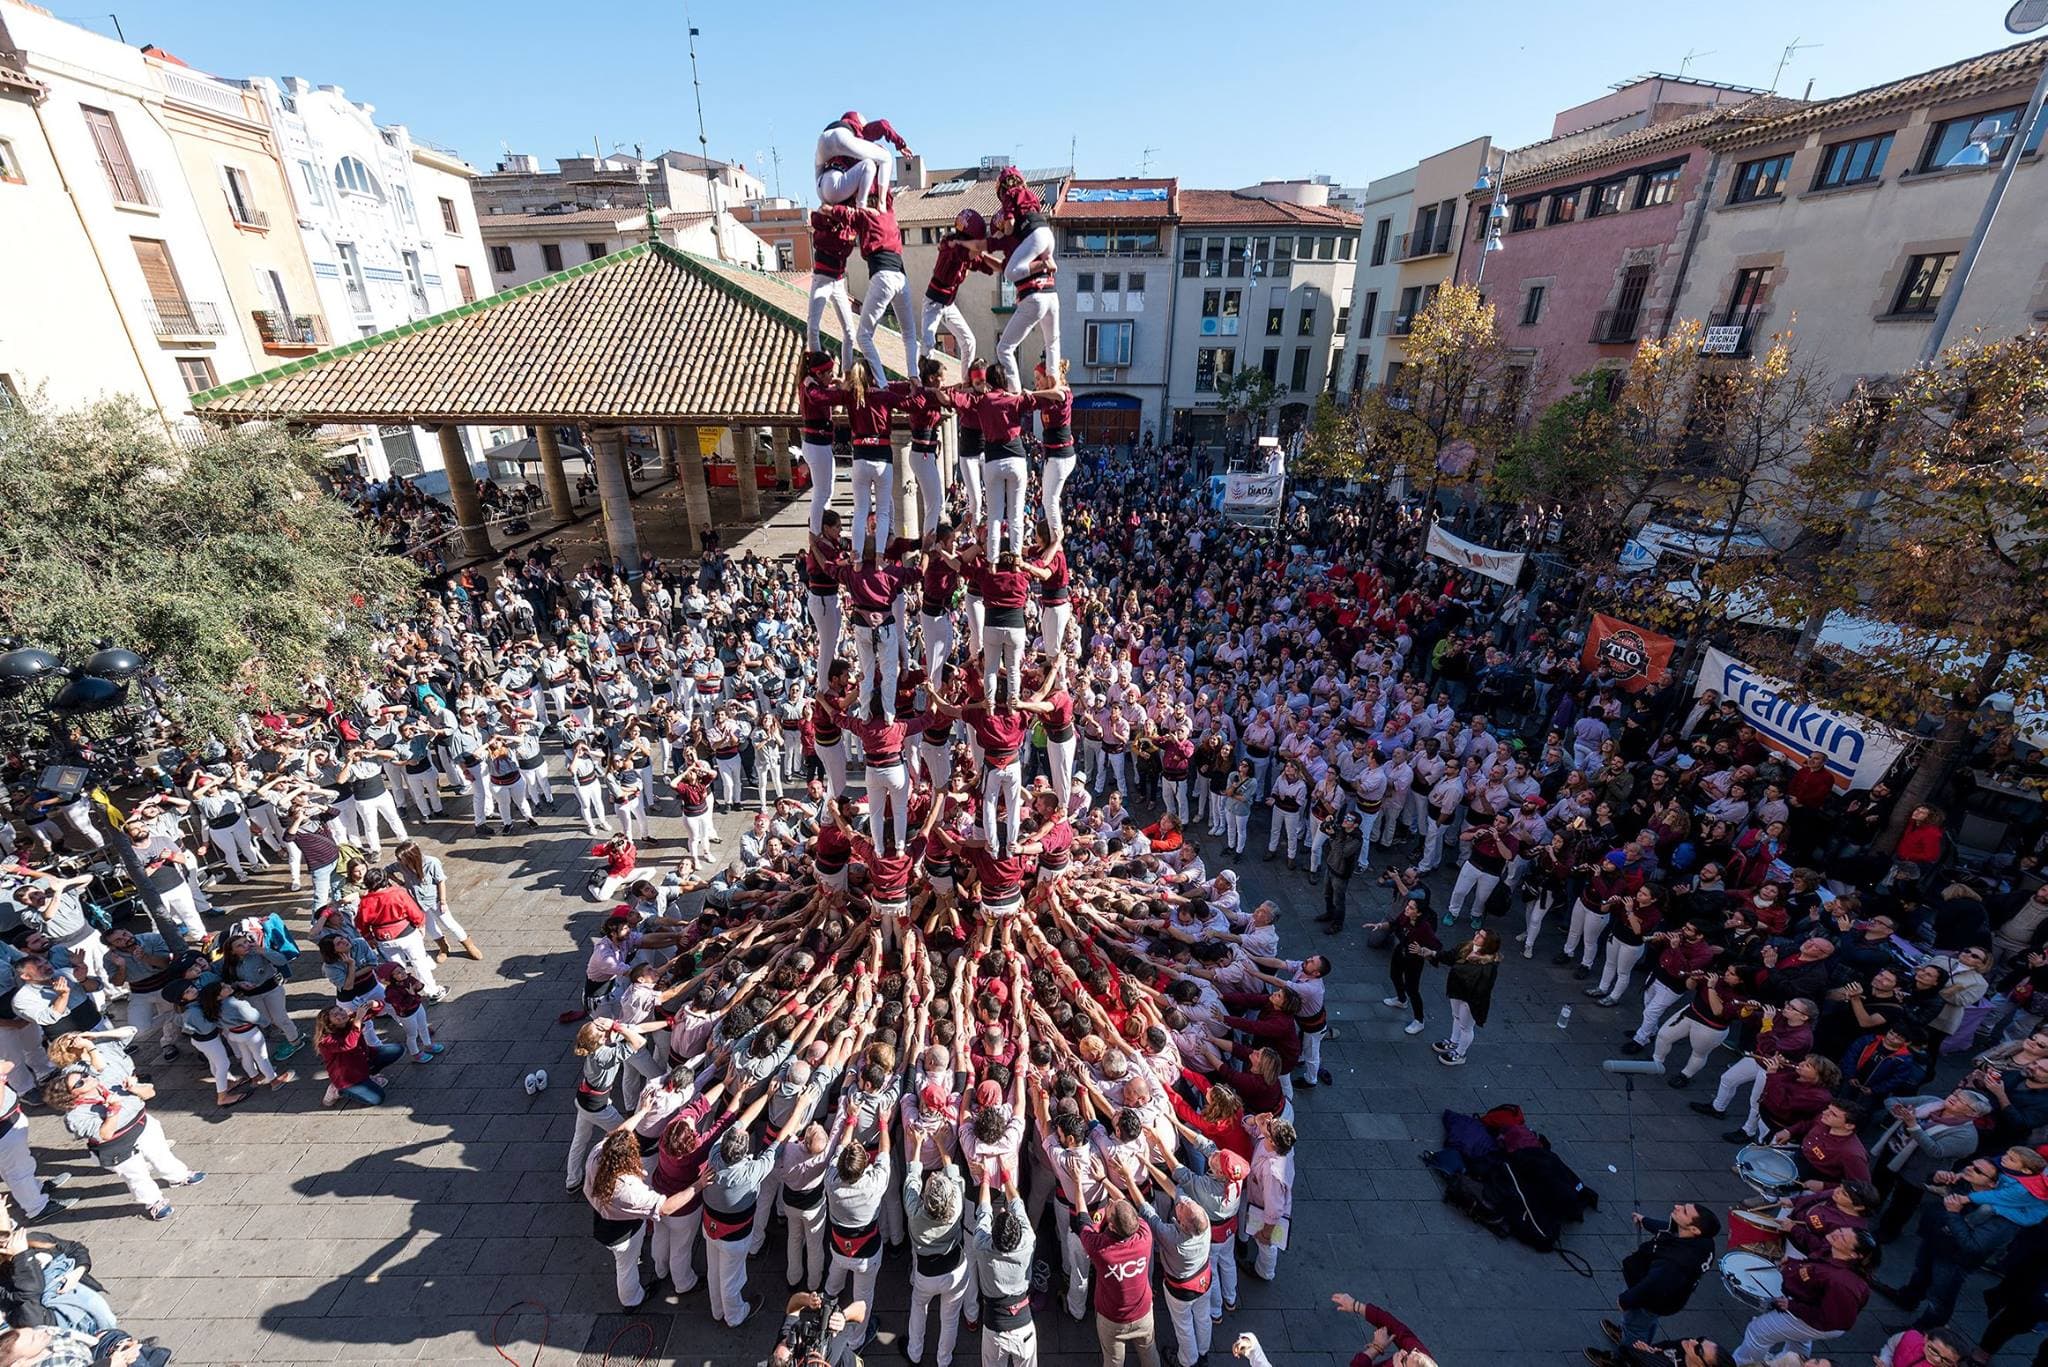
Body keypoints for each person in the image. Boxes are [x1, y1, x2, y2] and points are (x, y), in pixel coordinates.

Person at [42, 1071, 202, 1221]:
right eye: (79, 1083)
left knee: (161, 1154)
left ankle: (179, 1176)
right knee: (136, 1175)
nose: (87, 1078)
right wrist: (113, 1110)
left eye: (84, 1075)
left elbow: (150, 1093)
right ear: (70, 1096)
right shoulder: (75, 1116)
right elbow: (105, 1134)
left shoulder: (109, 1080)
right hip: (117, 1146)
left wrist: (135, 1087)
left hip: (142, 1125)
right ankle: (154, 1202)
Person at [1584, 1203, 1720, 1366]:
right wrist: (1646, 1221)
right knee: (1647, 1323)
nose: (1678, 1206)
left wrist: (1625, 1300)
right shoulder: (1704, 1242)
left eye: (1684, 1211)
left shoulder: (1674, 1264)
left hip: (1648, 1299)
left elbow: (1650, 1285)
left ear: (1694, 1230)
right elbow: (1670, 1229)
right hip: (1665, 1302)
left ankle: (1623, 1359)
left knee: (1635, 1326)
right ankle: (1634, 1337)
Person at [1728, 1226, 1874, 1364]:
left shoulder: (1843, 1283)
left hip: (1819, 1320)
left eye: (1843, 1238)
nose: (1837, 1233)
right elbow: (1816, 1268)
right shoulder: (1833, 1253)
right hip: (1810, 1309)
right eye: (1841, 1230)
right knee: (1799, 1340)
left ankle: (1742, 1364)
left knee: (1758, 1331)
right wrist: (1794, 1263)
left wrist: (1792, 1306)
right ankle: (1792, 1364)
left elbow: (1832, 1319)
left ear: (1854, 1254)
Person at [1072, 1193, 1158, 1367]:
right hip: (1143, 1312)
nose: (1110, 1201)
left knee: (1113, 1360)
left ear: (1111, 1225)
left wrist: (1077, 1183)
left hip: (1113, 1319)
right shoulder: (1145, 1235)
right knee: (1149, 1351)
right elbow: (1128, 1211)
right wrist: (1104, 1180)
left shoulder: (1101, 1250)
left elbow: (1083, 1221)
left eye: (1110, 1207)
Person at [1431, 929, 1502, 1067]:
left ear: (1488, 943)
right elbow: (1450, 956)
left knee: (1466, 1027)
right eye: (1478, 933)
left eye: (1481, 936)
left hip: (1470, 1000)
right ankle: (1453, 1042)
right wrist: (1433, 954)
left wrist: (1471, 1003)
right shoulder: (1467, 947)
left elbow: (1482, 988)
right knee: (1456, 1017)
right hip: (1457, 991)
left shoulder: (1489, 966)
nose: (1476, 936)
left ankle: (1460, 1053)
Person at [1316, 810, 1365, 934]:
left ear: (1355, 825)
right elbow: (1323, 829)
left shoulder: (1356, 839)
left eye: (1349, 819)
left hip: (1341, 872)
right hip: (1331, 866)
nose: (1345, 820)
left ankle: (1338, 924)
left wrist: (1333, 836)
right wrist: (1326, 822)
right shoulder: (1341, 828)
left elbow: (1343, 852)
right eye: (1346, 817)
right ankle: (1329, 913)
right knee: (1327, 893)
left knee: (1339, 900)